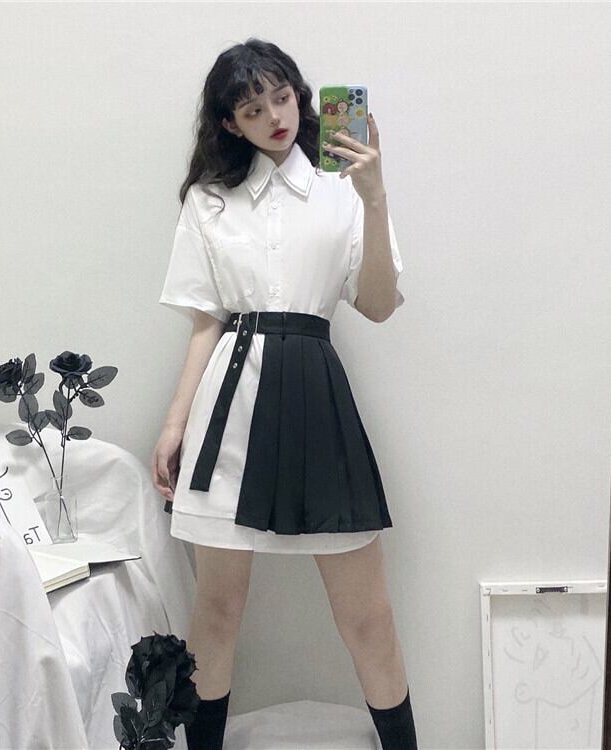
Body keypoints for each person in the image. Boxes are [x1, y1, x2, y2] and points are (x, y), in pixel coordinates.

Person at [151, 38, 417, 750]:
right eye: (251, 108)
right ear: (229, 123)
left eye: (282, 97)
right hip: (229, 406)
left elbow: (379, 306)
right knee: (217, 612)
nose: (275, 116)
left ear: (300, 95)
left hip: (316, 400)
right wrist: (174, 425)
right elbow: (205, 325)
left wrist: (375, 198)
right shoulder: (210, 201)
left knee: (368, 617)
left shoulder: (342, 188)